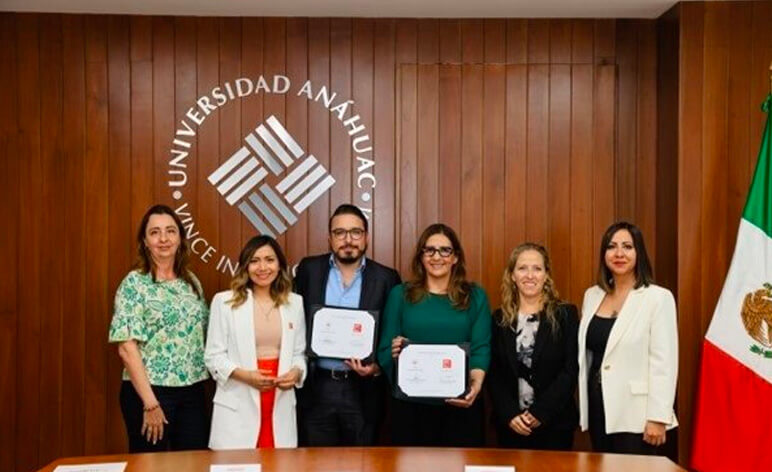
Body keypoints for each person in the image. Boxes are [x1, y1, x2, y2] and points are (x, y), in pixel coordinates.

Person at [293, 204, 401, 446]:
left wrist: (376, 369)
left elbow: (392, 331)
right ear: (329, 238)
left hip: (363, 391)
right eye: (340, 233)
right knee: (316, 464)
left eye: (356, 232)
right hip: (316, 387)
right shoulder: (309, 270)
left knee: (361, 464)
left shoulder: (386, 278)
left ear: (366, 237)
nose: (348, 240)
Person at [377, 223, 492, 447]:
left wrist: (475, 387)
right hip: (411, 409)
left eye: (445, 250)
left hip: (460, 406)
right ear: (421, 256)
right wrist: (394, 352)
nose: (436, 257)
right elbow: (384, 349)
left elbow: (481, 348)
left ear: (455, 257)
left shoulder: (475, 296)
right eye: (429, 250)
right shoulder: (400, 295)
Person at [108, 204, 209, 452]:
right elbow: (127, 348)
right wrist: (150, 404)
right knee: (151, 465)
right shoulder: (135, 283)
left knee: (193, 465)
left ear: (180, 238)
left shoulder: (191, 282)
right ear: (144, 241)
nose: (163, 239)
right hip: (150, 393)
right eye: (154, 232)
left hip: (193, 392)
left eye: (170, 231)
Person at [578, 221, 678, 454]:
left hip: (639, 414)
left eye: (627, 247)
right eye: (612, 247)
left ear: (639, 253)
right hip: (598, 407)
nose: (619, 253)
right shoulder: (592, 295)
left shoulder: (657, 298)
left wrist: (658, 416)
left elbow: (664, 362)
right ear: (604, 254)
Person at [205, 235, 306, 449]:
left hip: (280, 399)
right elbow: (213, 357)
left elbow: (299, 353)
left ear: (279, 265)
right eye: (254, 260)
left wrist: (296, 373)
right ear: (245, 266)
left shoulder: (295, 303)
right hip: (239, 398)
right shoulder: (224, 302)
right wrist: (247, 376)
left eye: (270, 260)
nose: (262, 267)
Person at [488, 243, 579, 450]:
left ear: (546, 274)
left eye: (537, 268)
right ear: (512, 275)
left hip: (555, 424)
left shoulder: (565, 314)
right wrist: (510, 414)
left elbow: (570, 369)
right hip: (511, 425)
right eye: (522, 268)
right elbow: (494, 373)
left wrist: (541, 413)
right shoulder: (499, 319)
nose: (530, 275)